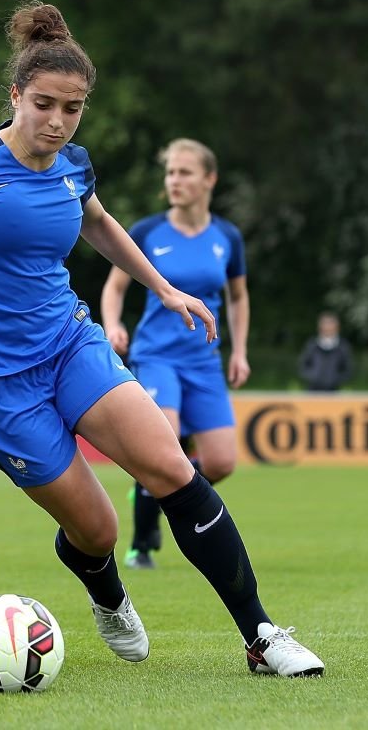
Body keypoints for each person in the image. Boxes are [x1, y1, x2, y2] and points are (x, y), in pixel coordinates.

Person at [0, 1, 324, 677]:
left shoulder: (75, 164)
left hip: (71, 343)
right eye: (43, 104)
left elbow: (97, 224)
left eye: (72, 108)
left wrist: (161, 287)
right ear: (16, 95)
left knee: (172, 469)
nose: (56, 121)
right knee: (97, 531)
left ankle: (261, 635)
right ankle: (106, 590)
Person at [100, 139, 250, 571]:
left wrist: (239, 350)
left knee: (221, 461)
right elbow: (115, 287)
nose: (175, 181)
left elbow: (238, 298)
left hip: (204, 360)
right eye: (170, 173)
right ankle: (142, 544)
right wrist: (114, 324)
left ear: (209, 179)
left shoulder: (227, 237)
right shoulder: (148, 231)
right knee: (165, 444)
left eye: (185, 172)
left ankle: (150, 487)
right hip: (156, 356)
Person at [298, 311, 353, 391]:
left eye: (330, 325)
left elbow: (347, 369)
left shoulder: (343, 346)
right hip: (312, 391)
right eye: (325, 325)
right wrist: (313, 377)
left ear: (337, 327)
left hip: (334, 391)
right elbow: (303, 366)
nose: (327, 328)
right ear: (320, 327)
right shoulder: (312, 344)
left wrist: (335, 379)